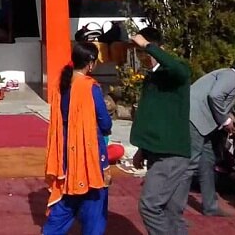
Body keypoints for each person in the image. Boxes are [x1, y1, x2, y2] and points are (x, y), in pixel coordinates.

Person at [43, 42, 113, 235]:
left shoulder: (61, 84)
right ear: (90, 63)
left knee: (68, 199)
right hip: (87, 153)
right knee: (94, 203)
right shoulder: (90, 88)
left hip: (65, 152)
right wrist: (105, 163)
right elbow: (104, 124)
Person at [129, 28, 193, 235]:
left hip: (171, 154)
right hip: (159, 151)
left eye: (147, 52)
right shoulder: (152, 77)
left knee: (150, 206)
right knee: (171, 211)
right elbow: (156, 117)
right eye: (140, 53)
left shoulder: (174, 74)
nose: (144, 58)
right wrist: (143, 150)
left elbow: (180, 70)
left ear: (159, 49)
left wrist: (148, 46)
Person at [187, 55, 235, 216]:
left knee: (207, 163)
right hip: (195, 121)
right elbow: (215, 96)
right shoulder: (231, 76)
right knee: (190, 164)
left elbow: (218, 100)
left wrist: (229, 117)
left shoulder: (225, 75)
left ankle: (210, 206)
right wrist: (225, 121)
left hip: (202, 124)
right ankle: (173, 206)